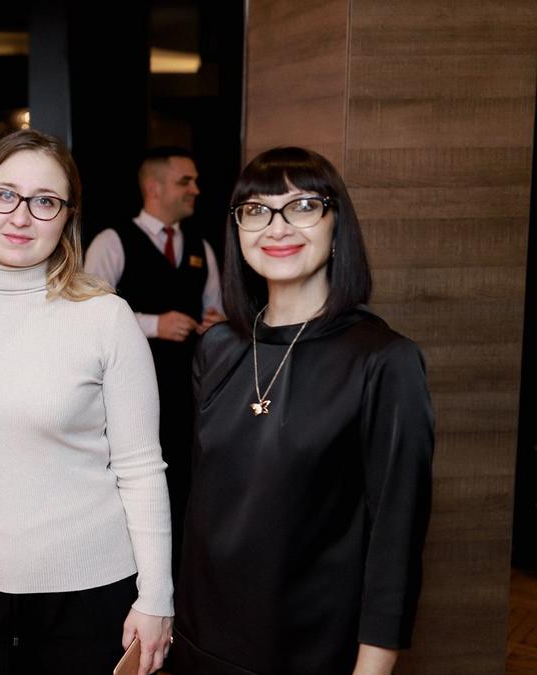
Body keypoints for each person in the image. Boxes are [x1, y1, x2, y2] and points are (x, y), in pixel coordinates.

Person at [0, 129, 174, 675]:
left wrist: (157, 596)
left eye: (45, 201)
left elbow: (142, 468)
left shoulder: (106, 317)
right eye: (4, 195)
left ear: (67, 217)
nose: (21, 217)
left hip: (88, 595)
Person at [173, 147, 434, 674]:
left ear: (337, 225)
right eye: (257, 210)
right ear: (238, 230)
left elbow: (396, 534)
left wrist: (373, 668)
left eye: (303, 206)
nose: (278, 226)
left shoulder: (384, 360)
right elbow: (199, 504)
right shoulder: (216, 348)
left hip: (311, 648)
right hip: (202, 639)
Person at [84, 147, 222, 568]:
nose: (196, 190)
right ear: (153, 188)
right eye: (185, 181)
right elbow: (86, 313)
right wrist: (152, 324)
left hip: (189, 395)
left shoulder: (200, 246)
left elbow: (215, 309)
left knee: (183, 485)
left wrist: (217, 324)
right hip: (127, 396)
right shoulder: (112, 241)